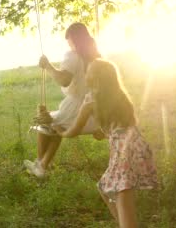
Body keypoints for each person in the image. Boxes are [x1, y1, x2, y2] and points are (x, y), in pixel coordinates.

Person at [54, 59, 157, 228]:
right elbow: (124, 124)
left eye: (88, 72)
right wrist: (103, 133)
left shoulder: (90, 101)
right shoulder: (120, 96)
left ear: (95, 78)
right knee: (105, 188)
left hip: (123, 151)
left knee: (121, 194)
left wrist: (61, 132)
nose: (85, 74)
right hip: (137, 146)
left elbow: (74, 130)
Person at [23, 22, 101, 178]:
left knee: (45, 120)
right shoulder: (96, 56)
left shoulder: (73, 56)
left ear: (73, 38)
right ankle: (42, 164)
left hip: (80, 110)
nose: (68, 44)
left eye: (69, 40)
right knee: (53, 121)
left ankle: (41, 165)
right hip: (97, 111)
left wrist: (48, 66)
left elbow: (64, 80)